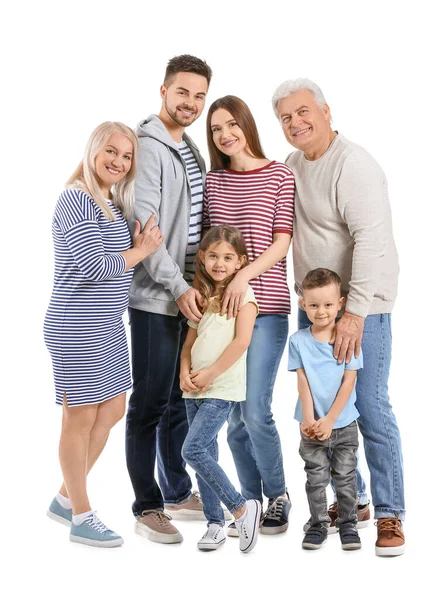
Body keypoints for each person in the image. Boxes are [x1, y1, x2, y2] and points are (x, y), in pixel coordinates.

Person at [272, 78, 405, 557]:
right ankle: (358, 500)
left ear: (327, 112)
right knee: (328, 404)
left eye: (304, 112)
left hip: (361, 308)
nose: (296, 123)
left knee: (368, 407)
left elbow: (372, 241)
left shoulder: (354, 165)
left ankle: (391, 514)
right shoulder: (291, 164)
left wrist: (355, 313)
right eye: (285, 117)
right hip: (316, 312)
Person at [44, 121, 163, 547]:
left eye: (126, 156)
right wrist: (142, 251)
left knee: (112, 412)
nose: (118, 161)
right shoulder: (76, 199)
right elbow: (95, 267)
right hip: (76, 326)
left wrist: (133, 245)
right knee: (79, 421)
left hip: (108, 324)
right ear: (93, 150)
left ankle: (64, 497)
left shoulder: (109, 201)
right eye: (110, 151)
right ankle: (81, 514)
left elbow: (110, 259)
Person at [125, 54, 216, 545]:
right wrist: (178, 288)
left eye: (199, 95)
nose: (192, 103)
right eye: (183, 93)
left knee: (179, 399)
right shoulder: (149, 147)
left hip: (189, 295)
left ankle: (178, 492)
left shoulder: (188, 148)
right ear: (163, 91)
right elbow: (148, 232)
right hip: (156, 299)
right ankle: (146, 506)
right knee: (150, 403)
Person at [204, 96, 294, 536]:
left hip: (268, 307)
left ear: (246, 125)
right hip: (223, 314)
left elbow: (281, 242)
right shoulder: (212, 181)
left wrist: (244, 277)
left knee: (255, 410)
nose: (225, 134)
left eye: (231, 124)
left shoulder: (280, 174)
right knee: (233, 416)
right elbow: (207, 249)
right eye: (216, 128)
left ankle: (278, 494)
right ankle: (251, 500)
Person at [180, 225, 261, 553]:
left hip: (222, 386)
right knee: (206, 455)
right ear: (202, 257)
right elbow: (189, 343)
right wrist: (184, 372)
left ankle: (242, 508)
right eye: (213, 256)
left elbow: (242, 341)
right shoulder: (202, 296)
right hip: (194, 388)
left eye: (228, 257)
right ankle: (214, 523)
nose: (219, 263)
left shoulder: (245, 296)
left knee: (192, 450)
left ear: (240, 261)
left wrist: (212, 372)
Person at [289, 268, 363, 552]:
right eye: (314, 305)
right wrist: (309, 418)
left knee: (345, 477)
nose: (321, 311)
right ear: (303, 304)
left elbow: (349, 382)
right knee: (315, 477)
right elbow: (302, 381)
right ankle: (319, 524)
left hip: (343, 424)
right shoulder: (298, 340)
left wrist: (331, 419)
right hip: (311, 425)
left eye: (328, 305)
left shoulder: (349, 340)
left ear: (340, 303)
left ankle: (348, 524)